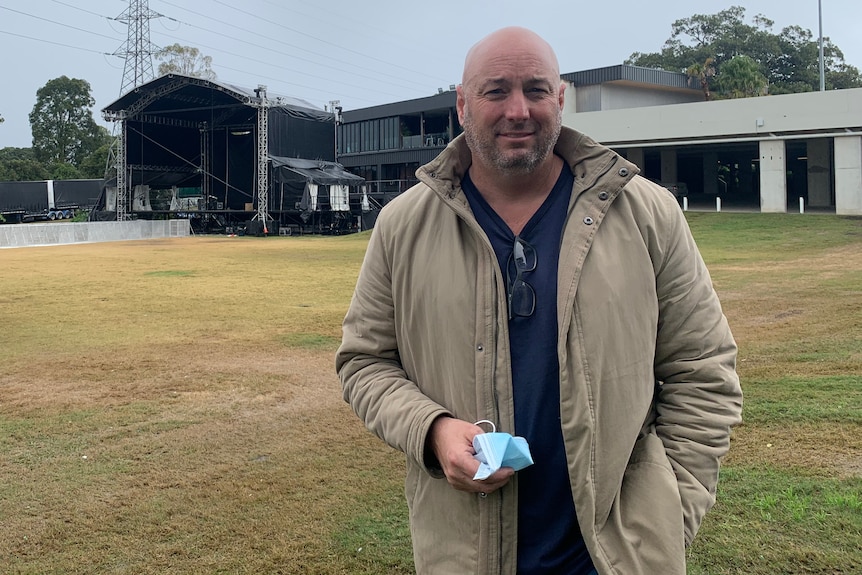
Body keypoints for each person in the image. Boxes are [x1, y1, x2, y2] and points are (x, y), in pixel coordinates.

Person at [336, 26, 742, 575]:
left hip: (616, 558)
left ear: (561, 99)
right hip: (465, 555)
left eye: (536, 89)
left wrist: (670, 511)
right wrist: (431, 430)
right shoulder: (402, 226)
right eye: (495, 91)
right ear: (461, 104)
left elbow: (703, 370)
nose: (519, 110)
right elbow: (365, 362)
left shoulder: (646, 212)